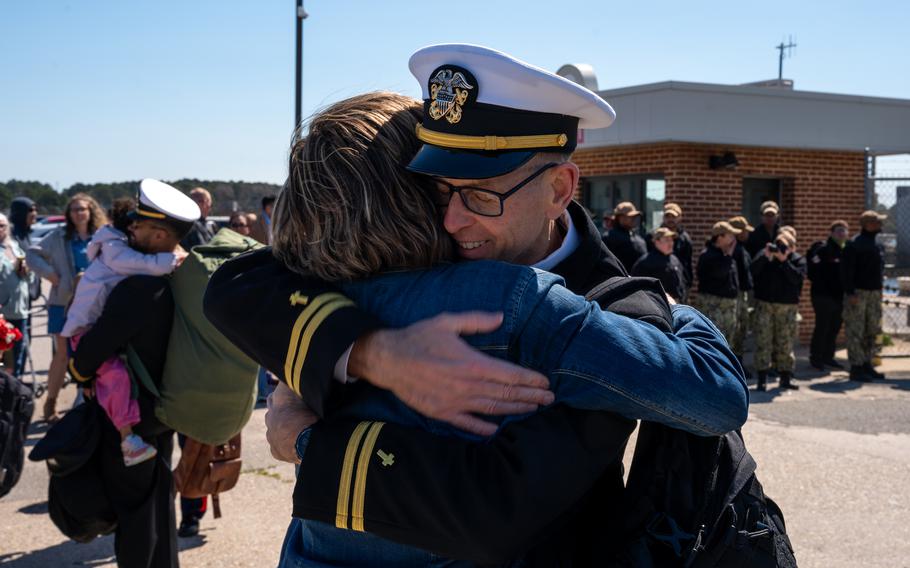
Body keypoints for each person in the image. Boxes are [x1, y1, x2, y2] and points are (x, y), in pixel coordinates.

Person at [206, 45, 746, 566]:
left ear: (560, 189)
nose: (453, 221)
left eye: (482, 195)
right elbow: (239, 285)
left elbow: (496, 508)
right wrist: (375, 352)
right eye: (439, 193)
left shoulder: (616, 307)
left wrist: (309, 442)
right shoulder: (417, 260)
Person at [61, 193, 180, 466]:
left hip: (137, 412)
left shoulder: (138, 286)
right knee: (159, 492)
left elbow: (94, 350)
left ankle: (128, 440)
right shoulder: (169, 278)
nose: (134, 231)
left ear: (160, 234)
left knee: (130, 497)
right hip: (162, 408)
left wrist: (80, 372)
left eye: (139, 226)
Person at [28, 194, 106, 421]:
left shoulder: (101, 237)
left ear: (91, 211)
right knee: (62, 355)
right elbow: (32, 254)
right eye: (73, 210)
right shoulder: (60, 236)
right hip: (62, 303)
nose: (78, 213)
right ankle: (50, 405)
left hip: (93, 305)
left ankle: (86, 405)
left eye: (82, 209)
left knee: (92, 355)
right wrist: (52, 276)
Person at [750, 232, 807, 391]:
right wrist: (765, 257)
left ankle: (785, 378)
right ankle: (762, 379)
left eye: (784, 246)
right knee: (763, 341)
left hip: (787, 307)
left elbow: (797, 279)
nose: (779, 248)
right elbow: (752, 272)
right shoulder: (766, 256)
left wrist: (784, 261)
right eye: (778, 244)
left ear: (792, 247)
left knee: (785, 343)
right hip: (765, 305)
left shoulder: (797, 260)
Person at [842, 210, 887, 381]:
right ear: (868, 224)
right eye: (877, 222)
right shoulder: (854, 244)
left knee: (872, 330)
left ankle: (867, 364)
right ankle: (856, 367)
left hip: (874, 293)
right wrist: (850, 292)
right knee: (856, 330)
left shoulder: (876, 244)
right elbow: (846, 272)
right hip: (858, 293)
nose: (880, 225)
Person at [807, 220, 849, 370]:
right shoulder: (822, 249)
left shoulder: (846, 250)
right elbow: (812, 272)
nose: (842, 233)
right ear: (831, 233)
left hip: (839, 297)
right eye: (838, 230)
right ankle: (816, 357)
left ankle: (828, 357)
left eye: (844, 230)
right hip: (822, 296)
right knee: (822, 326)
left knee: (835, 326)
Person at [0, 212, 35, 376]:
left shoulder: (15, 246)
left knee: (18, 355)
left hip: (20, 310)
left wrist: (26, 270)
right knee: (4, 359)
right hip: (2, 312)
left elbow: (30, 277)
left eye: (2, 225)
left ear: (8, 227)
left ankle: (13, 395)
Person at [695, 221, 741, 342]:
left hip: (727, 306)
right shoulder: (708, 255)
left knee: (728, 341)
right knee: (715, 340)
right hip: (714, 306)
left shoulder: (724, 254)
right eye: (730, 236)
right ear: (720, 237)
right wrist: (729, 256)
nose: (733, 239)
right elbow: (720, 273)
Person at [647, 202, 693, 292]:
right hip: (657, 284)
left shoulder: (685, 239)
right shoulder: (652, 236)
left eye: (674, 217)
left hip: (679, 284)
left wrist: (687, 283)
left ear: (680, 217)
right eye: (667, 216)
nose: (670, 219)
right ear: (663, 217)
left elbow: (688, 263)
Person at [632, 226, 687, 302]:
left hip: (677, 304)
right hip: (657, 304)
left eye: (672, 240)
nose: (671, 243)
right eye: (667, 240)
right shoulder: (645, 262)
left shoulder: (674, 259)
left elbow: (682, 282)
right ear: (657, 241)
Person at [728, 215, 755, 365]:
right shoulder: (733, 250)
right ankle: (735, 363)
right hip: (735, 294)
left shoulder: (742, 248)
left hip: (743, 293)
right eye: (745, 231)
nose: (747, 233)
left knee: (742, 329)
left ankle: (738, 361)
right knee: (735, 330)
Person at [603, 201, 647, 272]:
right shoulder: (609, 237)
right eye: (630, 216)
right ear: (619, 217)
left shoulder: (638, 238)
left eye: (635, 216)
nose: (634, 219)